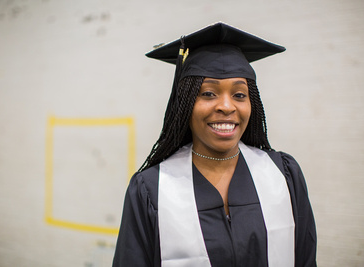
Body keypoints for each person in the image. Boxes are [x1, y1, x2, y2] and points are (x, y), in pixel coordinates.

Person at [113, 22, 317, 267]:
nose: (227, 106)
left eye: (239, 95)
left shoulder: (284, 175)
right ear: (185, 103)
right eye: (208, 93)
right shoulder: (150, 189)